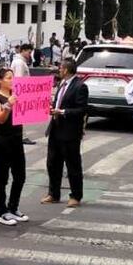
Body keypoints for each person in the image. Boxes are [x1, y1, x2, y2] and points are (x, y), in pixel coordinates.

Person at [42, 59, 88, 207]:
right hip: (55, 128)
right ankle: (53, 193)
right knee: (53, 163)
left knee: (72, 164)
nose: (58, 70)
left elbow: (81, 110)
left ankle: (75, 195)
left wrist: (62, 112)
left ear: (66, 70)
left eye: (60, 68)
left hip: (70, 132)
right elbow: (59, 102)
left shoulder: (80, 86)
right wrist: (52, 108)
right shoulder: (62, 84)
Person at [0, 67, 28, 226]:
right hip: (1, 141)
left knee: (20, 176)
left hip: (17, 139)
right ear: (0, 80)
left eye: (13, 77)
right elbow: (0, 119)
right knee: (2, 177)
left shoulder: (16, 95)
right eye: (9, 78)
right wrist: (8, 106)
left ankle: (13, 207)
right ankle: (2, 211)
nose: (12, 80)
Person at [10, 44, 37, 145]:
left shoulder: (19, 62)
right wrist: (19, 95)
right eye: (29, 52)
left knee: (19, 116)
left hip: (20, 92)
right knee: (20, 116)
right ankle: (22, 136)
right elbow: (19, 79)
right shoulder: (19, 63)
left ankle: (20, 135)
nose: (30, 55)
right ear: (23, 51)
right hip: (20, 93)